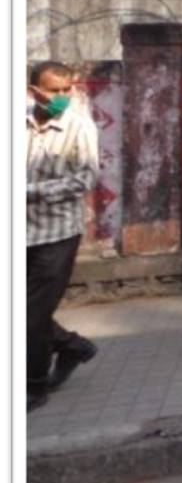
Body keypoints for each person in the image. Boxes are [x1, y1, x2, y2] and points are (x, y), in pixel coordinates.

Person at [27, 61, 100, 411]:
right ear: (33, 92)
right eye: (54, 90)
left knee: (31, 316)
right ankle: (72, 346)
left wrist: (31, 191)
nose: (62, 97)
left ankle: (33, 385)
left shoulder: (79, 127)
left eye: (67, 89)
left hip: (57, 233)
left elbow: (85, 179)